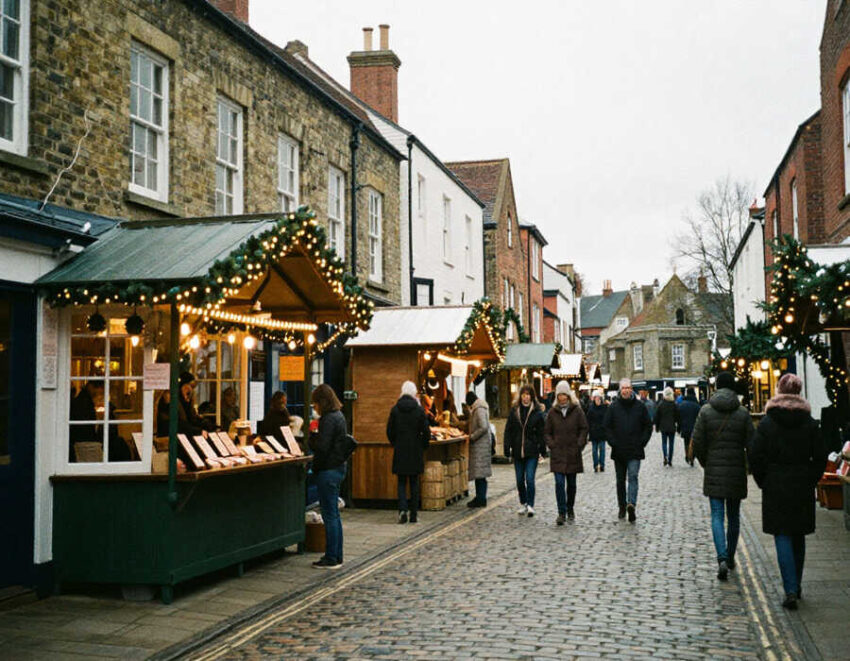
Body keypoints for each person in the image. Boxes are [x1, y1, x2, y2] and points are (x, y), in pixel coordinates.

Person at [750, 373, 827, 609]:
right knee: (798, 534)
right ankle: (797, 584)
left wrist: (764, 480)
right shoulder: (810, 423)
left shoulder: (767, 423)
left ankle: (790, 588)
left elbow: (755, 456)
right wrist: (811, 479)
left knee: (782, 534)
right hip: (801, 483)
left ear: (779, 391)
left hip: (775, 483)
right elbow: (821, 456)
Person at [691, 372, 754, 581]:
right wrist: (748, 466)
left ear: (716, 387)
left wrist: (705, 461)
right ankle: (731, 555)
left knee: (717, 515)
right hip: (736, 470)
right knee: (734, 515)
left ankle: (721, 558)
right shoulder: (743, 413)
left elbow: (697, 441)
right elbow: (751, 444)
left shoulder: (706, 411)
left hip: (714, 469)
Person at [309, 384, 348, 569]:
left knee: (329, 514)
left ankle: (331, 556)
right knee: (334, 513)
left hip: (328, 470)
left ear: (322, 402)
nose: (314, 408)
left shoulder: (327, 419)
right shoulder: (339, 416)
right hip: (338, 468)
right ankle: (337, 554)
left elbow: (322, 447)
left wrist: (312, 435)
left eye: (315, 403)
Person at [604, 378, 652, 523]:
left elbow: (648, 426)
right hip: (619, 450)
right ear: (620, 390)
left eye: (628, 387)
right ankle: (622, 506)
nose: (626, 390)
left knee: (633, 476)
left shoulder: (640, 406)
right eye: (623, 388)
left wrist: (642, 442)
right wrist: (613, 442)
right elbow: (607, 427)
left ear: (632, 389)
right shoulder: (613, 407)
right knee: (620, 480)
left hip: (635, 449)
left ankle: (631, 504)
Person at [545, 381, 589, 524]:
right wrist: (552, 444)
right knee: (559, 483)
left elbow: (584, 428)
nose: (562, 397)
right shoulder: (552, 413)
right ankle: (561, 512)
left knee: (571, 484)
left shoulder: (577, 410)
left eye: (564, 394)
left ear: (568, 395)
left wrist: (579, 444)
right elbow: (547, 432)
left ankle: (570, 508)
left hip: (572, 453)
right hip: (558, 453)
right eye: (559, 395)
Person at [386, 381, 430, 524]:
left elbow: (389, 431)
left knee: (401, 482)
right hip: (415, 450)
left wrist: (395, 443)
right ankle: (414, 514)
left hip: (400, 450)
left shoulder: (395, 410)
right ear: (414, 393)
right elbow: (426, 431)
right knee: (414, 482)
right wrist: (423, 445)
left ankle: (402, 510)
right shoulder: (419, 411)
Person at [504, 385, 546, 517]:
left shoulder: (537, 413)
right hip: (517, 450)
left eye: (528, 395)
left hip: (531, 451)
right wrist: (507, 447)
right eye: (523, 394)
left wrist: (542, 450)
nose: (526, 397)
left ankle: (531, 505)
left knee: (530, 478)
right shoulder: (514, 411)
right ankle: (523, 503)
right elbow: (508, 430)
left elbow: (541, 433)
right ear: (520, 396)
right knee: (519, 480)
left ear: (532, 396)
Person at [466, 391, 492, 507]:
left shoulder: (479, 409)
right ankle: (480, 497)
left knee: (480, 473)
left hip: (480, 445)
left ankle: (481, 498)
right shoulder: (480, 407)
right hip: (481, 445)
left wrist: (472, 437)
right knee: (479, 473)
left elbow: (483, 426)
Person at [69, 380, 104, 459]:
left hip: (81, 441)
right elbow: (86, 424)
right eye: (98, 389)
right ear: (91, 387)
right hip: (85, 442)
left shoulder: (83, 399)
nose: (99, 393)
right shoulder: (84, 402)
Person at [655, 387, 680, 467]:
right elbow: (677, 416)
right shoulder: (674, 404)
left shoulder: (661, 404)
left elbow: (657, 417)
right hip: (672, 426)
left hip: (663, 427)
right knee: (671, 444)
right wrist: (677, 425)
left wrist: (657, 426)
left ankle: (665, 456)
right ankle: (670, 459)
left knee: (664, 443)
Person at [678, 387, 701, 466]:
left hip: (685, 426)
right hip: (694, 427)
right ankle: (692, 457)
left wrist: (679, 428)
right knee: (693, 443)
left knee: (686, 442)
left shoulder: (682, 405)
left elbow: (679, 418)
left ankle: (687, 455)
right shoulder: (697, 405)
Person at [586, 390, 608, 472]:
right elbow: (588, 420)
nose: (598, 399)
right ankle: (595, 465)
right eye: (596, 398)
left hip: (602, 432)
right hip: (594, 432)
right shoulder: (591, 409)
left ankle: (602, 465)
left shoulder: (604, 407)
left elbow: (607, 419)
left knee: (602, 449)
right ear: (594, 399)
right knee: (594, 450)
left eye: (599, 398)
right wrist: (589, 431)